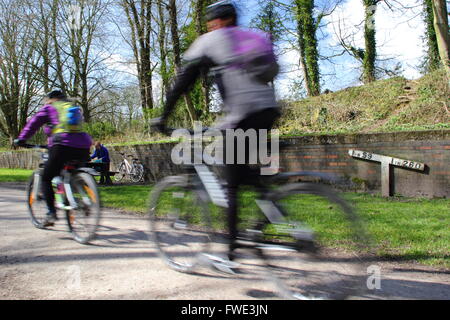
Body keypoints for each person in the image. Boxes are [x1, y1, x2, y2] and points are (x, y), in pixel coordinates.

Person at [152, 1, 280, 263]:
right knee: (242, 172)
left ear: (217, 21)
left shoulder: (209, 40)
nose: (209, 25)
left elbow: (183, 81)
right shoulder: (251, 36)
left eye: (210, 21)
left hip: (241, 115)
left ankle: (230, 254)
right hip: (268, 110)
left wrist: (163, 116)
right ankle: (267, 212)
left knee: (231, 184)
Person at [15, 90, 92, 227]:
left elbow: (33, 123)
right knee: (65, 173)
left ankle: (51, 213)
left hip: (62, 145)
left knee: (46, 177)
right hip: (84, 146)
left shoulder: (50, 107)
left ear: (51, 99)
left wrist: (22, 139)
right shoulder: (73, 108)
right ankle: (79, 198)